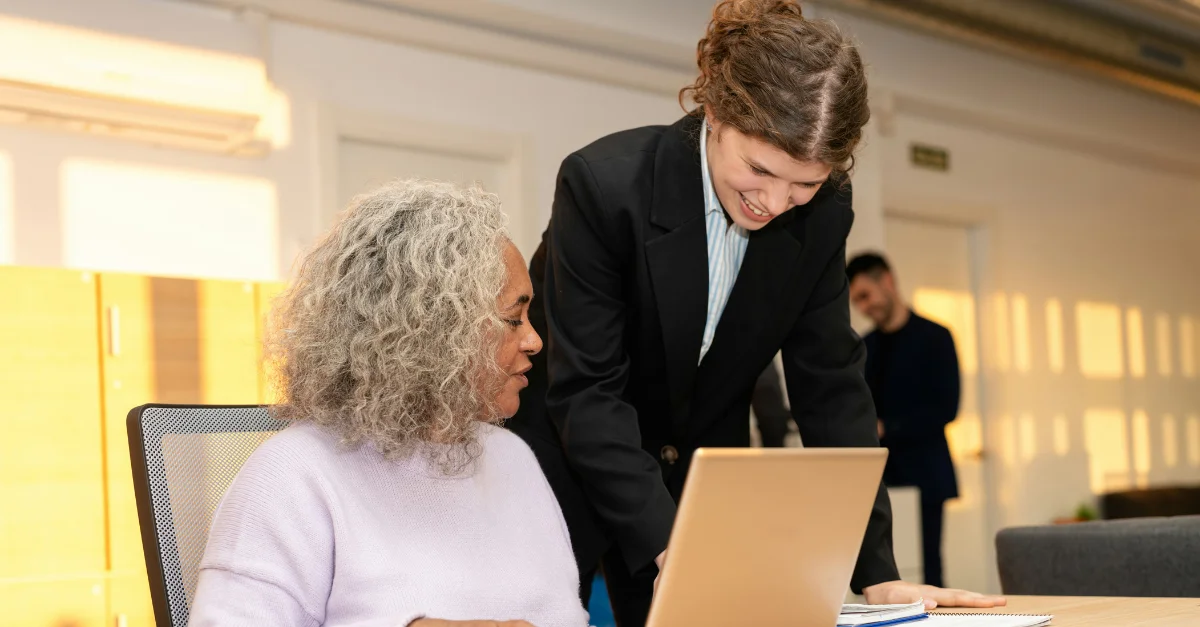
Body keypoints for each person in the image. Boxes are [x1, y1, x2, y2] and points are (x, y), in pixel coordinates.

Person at [506, 1, 1004, 625]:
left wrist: (876, 571)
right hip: (570, 455)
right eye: (759, 170)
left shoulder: (823, 215)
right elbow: (588, 390)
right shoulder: (605, 188)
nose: (774, 202)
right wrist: (675, 548)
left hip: (698, 467)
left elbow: (830, 383)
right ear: (715, 110)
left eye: (804, 184)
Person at [189, 180, 589, 627]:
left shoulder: (512, 457)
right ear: (431, 330)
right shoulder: (293, 475)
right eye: (512, 319)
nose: (534, 340)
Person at [847, 252, 960, 589]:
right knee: (887, 571)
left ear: (888, 281)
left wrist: (888, 427)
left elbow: (946, 408)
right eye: (857, 302)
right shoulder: (865, 347)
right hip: (881, 476)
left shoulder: (936, 337)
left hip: (926, 471)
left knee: (929, 567)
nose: (864, 307)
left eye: (866, 296)